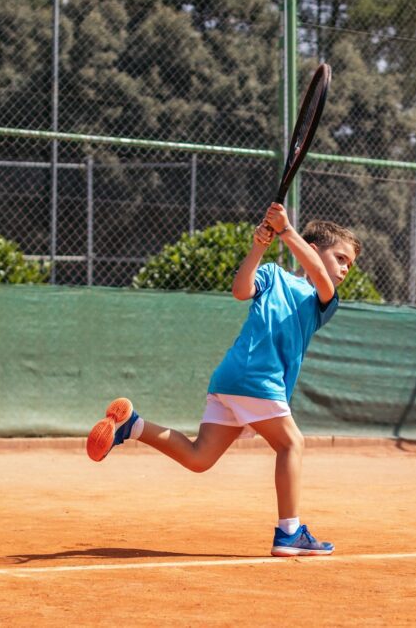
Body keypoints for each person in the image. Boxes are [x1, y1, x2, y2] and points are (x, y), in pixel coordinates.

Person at [86, 202, 361, 557]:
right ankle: (289, 532)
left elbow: (321, 281)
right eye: (340, 258)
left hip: (231, 379)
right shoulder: (273, 275)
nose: (344, 269)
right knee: (291, 444)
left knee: (200, 458)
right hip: (256, 378)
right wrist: (259, 247)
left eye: (349, 265)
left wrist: (285, 230)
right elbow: (241, 289)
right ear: (313, 249)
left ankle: (133, 426)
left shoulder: (323, 301)